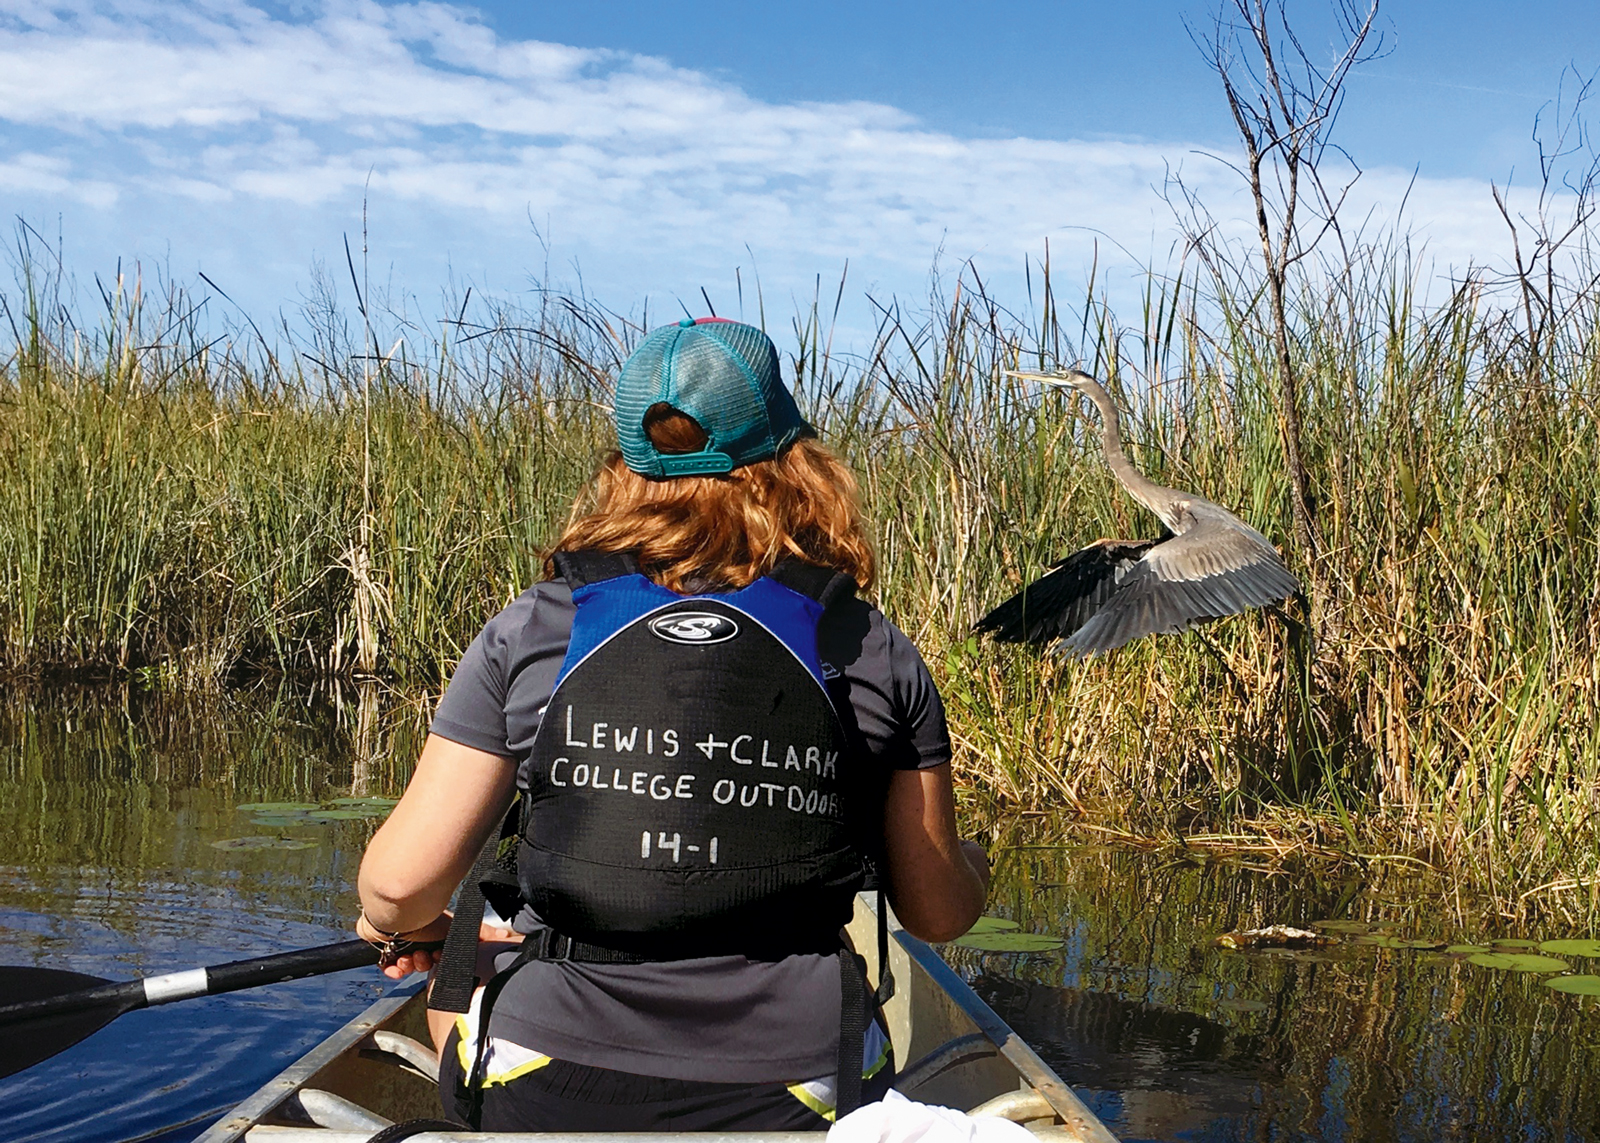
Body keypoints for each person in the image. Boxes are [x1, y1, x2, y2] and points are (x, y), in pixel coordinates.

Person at [355, 316, 990, 1131]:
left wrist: (398, 926)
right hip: (797, 1087)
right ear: (794, 457)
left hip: (550, 1080)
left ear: (623, 464)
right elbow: (937, 912)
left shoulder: (540, 624)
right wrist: (975, 865)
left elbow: (401, 883)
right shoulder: (868, 645)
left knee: (461, 985)